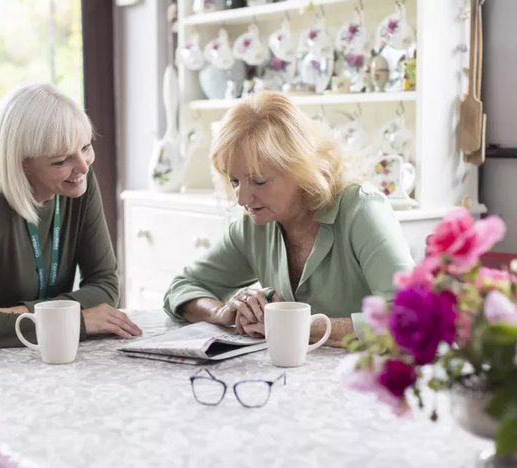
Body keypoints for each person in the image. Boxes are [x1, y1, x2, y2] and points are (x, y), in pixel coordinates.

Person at [163, 91, 414, 347]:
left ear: (300, 169)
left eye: (259, 181)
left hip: (370, 379)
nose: (241, 198)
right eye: (234, 180)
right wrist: (222, 312)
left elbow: (411, 319)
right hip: (292, 381)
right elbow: (182, 287)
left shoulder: (361, 208)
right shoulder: (253, 227)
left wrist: (292, 323)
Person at [0, 83, 141, 348]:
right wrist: (76, 320)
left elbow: (106, 287)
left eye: (85, 146)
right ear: (22, 164)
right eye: (61, 160)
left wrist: (19, 313)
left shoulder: (78, 183)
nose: (82, 166)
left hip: (47, 351)